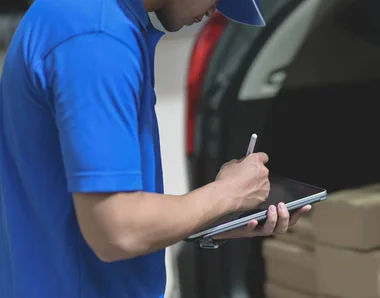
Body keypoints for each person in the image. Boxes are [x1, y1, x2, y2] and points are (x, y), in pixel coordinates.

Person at [0, 0, 310, 297]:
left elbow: (98, 211)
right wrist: (227, 193)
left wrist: (215, 216)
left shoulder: (94, 20)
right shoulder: (97, 40)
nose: (217, 9)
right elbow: (118, 231)